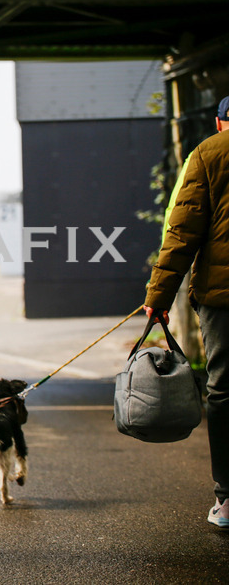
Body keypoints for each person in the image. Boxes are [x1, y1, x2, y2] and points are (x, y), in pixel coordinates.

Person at [144, 94, 229, 531]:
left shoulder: (207, 154)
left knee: (225, 391)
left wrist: (158, 298)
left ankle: (228, 499)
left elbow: (182, 233)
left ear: (219, 123)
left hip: (223, 299)